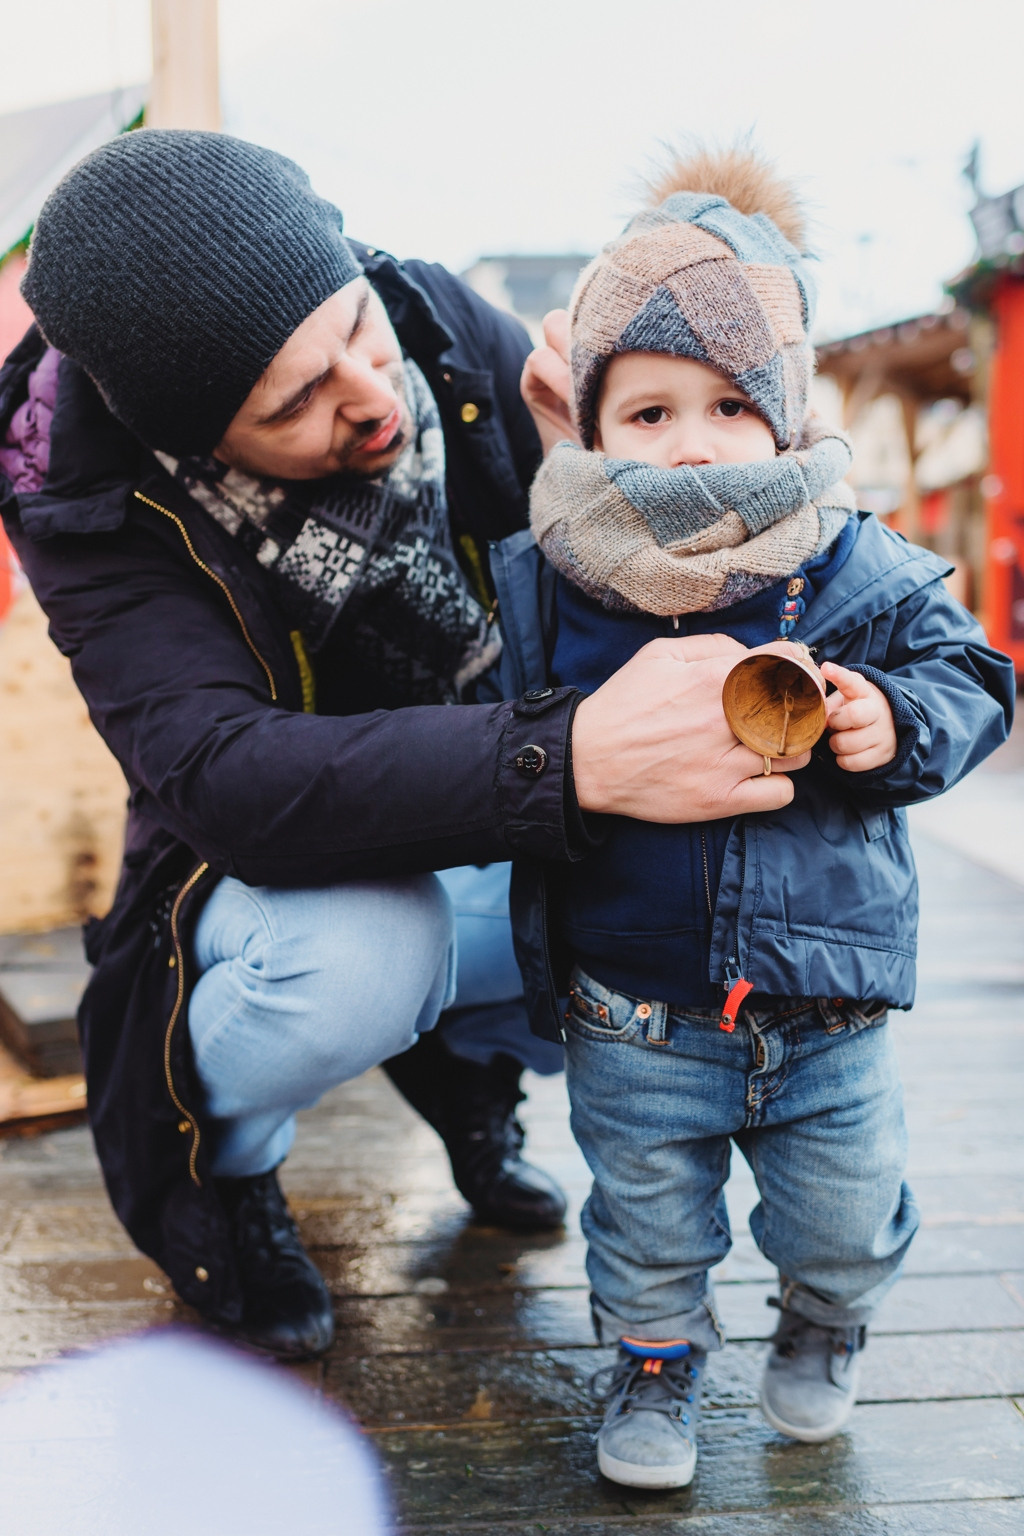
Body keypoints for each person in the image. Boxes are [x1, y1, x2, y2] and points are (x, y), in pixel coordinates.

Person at [0, 130, 799, 1363]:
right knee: (371, 954)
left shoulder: (426, 318)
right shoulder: (93, 502)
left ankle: (466, 1072)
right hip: (254, 876)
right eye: (295, 403)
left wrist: (589, 477)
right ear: (195, 438)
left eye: (355, 338)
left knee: (653, 890)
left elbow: (627, 567)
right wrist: (574, 759)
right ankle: (234, 1169)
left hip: (489, 780)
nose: (370, 397)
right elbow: (226, 779)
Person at [488, 147, 1015, 1488]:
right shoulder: (556, 573)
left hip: (825, 1010)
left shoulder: (856, 561)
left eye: (730, 404)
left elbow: (975, 675)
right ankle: (654, 1364)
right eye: (648, 411)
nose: (691, 442)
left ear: (786, 415)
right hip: (638, 1006)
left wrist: (894, 724)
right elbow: (498, 731)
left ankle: (828, 1313)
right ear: (591, 425)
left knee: (835, 1219)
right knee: (647, 1218)